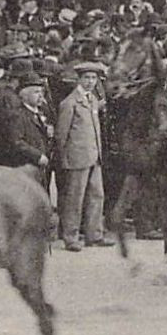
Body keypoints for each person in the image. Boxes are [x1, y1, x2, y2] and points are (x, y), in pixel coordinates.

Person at [55, 61, 108, 250]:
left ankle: (94, 234)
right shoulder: (70, 103)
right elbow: (61, 134)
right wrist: (63, 158)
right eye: (86, 78)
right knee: (75, 199)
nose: (90, 82)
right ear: (79, 79)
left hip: (94, 156)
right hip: (76, 157)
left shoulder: (92, 100)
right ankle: (71, 237)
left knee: (97, 195)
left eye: (93, 78)